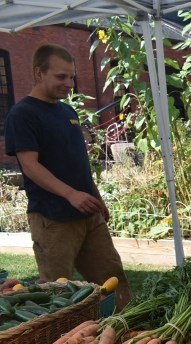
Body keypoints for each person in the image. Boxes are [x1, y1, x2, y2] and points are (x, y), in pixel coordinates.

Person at [4, 44, 132, 311]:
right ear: (39, 73)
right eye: (61, 77)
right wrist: (71, 194)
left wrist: (96, 197)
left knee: (112, 279)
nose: (69, 83)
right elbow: (30, 166)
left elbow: (78, 163)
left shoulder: (67, 111)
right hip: (53, 218)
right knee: (57, 291)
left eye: (71, 77)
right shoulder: (23, 113)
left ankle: (127, 331)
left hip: (88, 215)